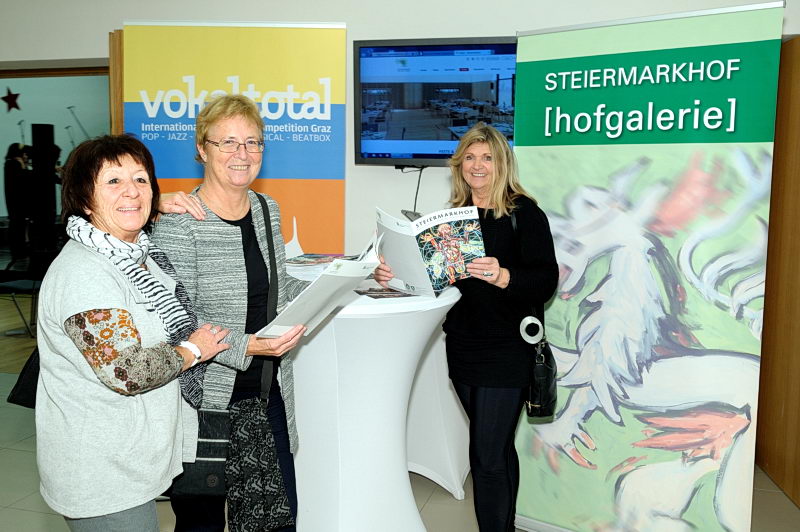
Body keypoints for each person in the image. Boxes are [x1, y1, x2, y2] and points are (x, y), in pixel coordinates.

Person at [35, 134, 231, 531]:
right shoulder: (85, 272)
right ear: (84, 199)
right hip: (102, 474)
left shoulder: (138, 254)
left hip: (131, 461)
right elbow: (127, 371)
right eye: (113, 181)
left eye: (141, 180)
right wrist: (193, 349)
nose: (132, 191)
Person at [374, 122, 559, 532]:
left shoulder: (524, 214)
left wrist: (504, 275)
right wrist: (394, 275)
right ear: (459, 165)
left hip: (507, 349)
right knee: (497, 450)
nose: (478, 166)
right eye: (470, 158)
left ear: (502, 163)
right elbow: (433, 281)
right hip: (463, 346)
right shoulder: (452, 218)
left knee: (485, 458)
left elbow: (546, 280)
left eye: (487, 158)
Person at [152, 93, 308, 532]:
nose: (243, 153)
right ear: (202, 150)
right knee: (201, 525)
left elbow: (278, 289)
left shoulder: (266, 209)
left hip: (266, 392)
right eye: (228, 142)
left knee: (278, 519)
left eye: (252, 142)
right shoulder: (180, 222)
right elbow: (176, 321)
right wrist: (249, 346)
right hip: (206, 402)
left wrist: (349, 282)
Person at [4, 143, 32, 263]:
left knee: (18, 226)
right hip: (16, 202)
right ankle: (19, 251)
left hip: (15, 202)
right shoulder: (13, 164)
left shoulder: (10, 163)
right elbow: (23, 178)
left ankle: (20, 250)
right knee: (17, 227)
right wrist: (23, 166)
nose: (26, 156)